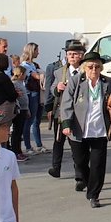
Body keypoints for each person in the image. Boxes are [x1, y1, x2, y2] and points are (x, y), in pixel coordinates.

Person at [60, 51, 111, 208]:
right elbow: (66, 103)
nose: (94, 70)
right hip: (79, 129)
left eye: (97, 67)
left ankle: (94, 194)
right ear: (84, 68)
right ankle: (86, 181)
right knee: (80, 162)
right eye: (90, 67)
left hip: (99, 130)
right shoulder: (75, 81)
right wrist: (66, 124)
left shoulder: (108, 82)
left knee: (98, 164)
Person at [45, 39, 86, 183]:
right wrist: (57, 88)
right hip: (61, 112)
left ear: (82, 55)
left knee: (77, 144)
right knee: (58, 141)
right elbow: (52, 89)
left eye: (75, 54)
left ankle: (79, 173)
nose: (72, 57)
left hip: (80, 113)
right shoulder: (59, 72)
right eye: (69, 54)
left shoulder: (86, 71)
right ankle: (56, 168)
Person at [20, 43, 46, 156]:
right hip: (31, 93)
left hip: (38, 93)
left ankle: (39, 145)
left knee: (37, 121)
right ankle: (28, 146)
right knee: (29, 120)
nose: (38, 52)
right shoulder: (25, 65)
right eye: (37, 50)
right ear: (31, 51)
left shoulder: (34, 64)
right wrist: (43, 74)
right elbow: (36, 76)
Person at [0, 54, 18, 134]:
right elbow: (11, 94)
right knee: (4, 129)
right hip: (5, 105)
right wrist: (16, 94)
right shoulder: (3, 77)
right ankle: (4, 145)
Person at [10, 66, 30, 162]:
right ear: (21, 74)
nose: (26, 76)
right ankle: (15, 151)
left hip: (24, 109)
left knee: (20, 131)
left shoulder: (20, 83)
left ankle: (19, 151)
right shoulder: (14, 84)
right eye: (25, 74)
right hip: (19, 110)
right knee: (17, 131)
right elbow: (17, 97)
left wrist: (27, 109)